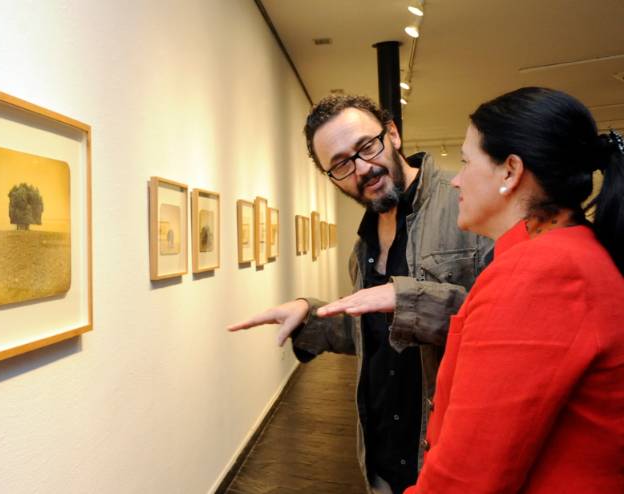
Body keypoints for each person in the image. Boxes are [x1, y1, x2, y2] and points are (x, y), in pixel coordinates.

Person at [227, 95, 492, 494]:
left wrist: (408, 300)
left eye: (367, 146)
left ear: (393, 134)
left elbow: (505, 324)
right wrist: (309, 314)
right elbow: (374, 334)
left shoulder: (467, 204)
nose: (362, 168)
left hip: (451, 459)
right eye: (341, 164)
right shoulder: (363, 245)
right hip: (382, 459)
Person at [397, 87, 624, 493]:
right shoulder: (565, 253)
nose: (456, 181)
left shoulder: (542, 272)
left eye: (466, 162)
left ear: (510, 171)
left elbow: (466, 478)